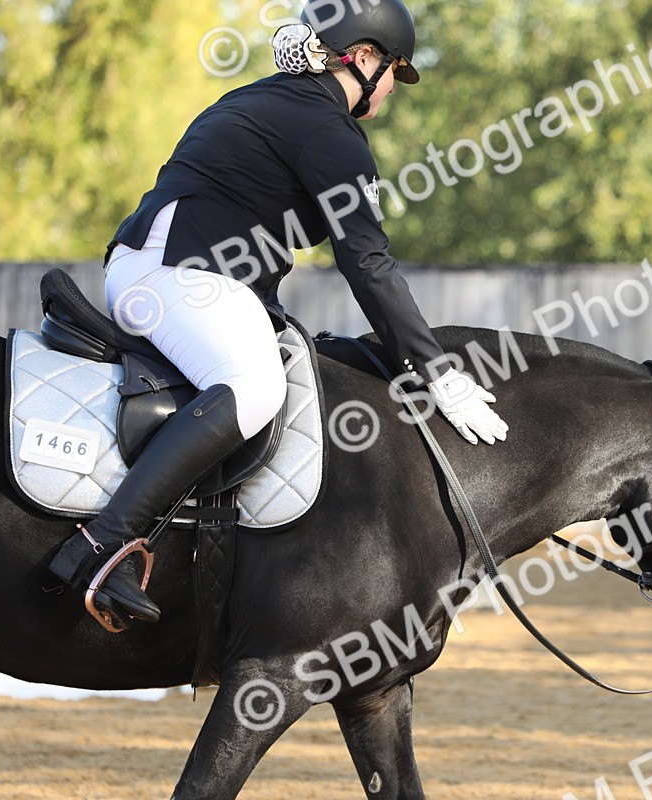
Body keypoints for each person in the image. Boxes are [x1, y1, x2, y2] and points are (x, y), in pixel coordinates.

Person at [47, 0, 508, 627]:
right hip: (176, 275)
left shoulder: (269, 100)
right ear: (363, 57)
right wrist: (438, 373)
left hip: (175, 271)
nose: (393, 89)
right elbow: (367, 262)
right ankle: (103, 543)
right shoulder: (328, 131)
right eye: (394, 72)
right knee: (254, 387)